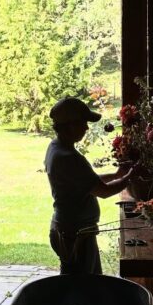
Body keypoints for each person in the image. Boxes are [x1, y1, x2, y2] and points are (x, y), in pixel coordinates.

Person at [45, 96, 133, 275]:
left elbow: (86, 181)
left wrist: (117, 175)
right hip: (75, 234)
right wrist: (131, 177)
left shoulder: (56, 147)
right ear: (70, 125)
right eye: (83, 123)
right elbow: (103, 191)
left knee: (79, 284)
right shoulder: (69, 158)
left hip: (69, 229)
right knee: (83, 288)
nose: (86, 127)